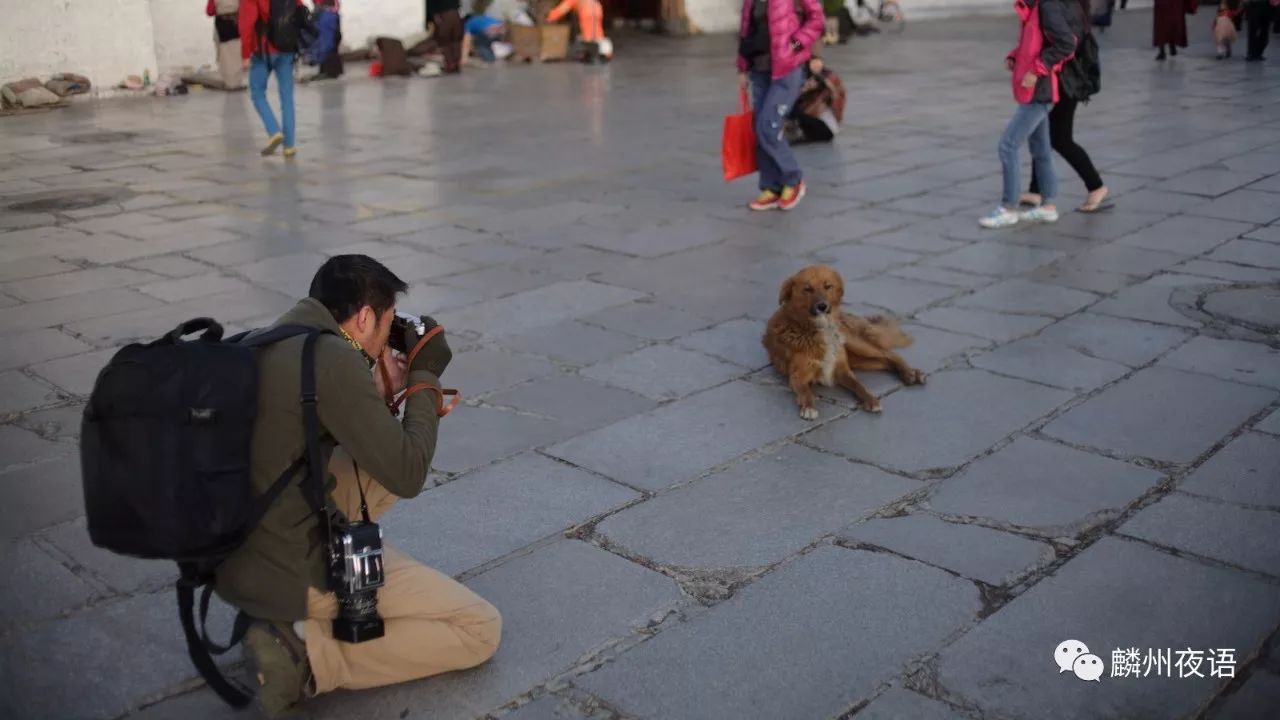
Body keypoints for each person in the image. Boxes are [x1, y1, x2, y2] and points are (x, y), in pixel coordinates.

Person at [215, 255, 501, 719]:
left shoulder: (275, 339)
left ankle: (281, 613)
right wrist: (425, 378)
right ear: (365, 316)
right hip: (288, 567)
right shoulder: (331, 360)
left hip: (235, 553)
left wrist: (391, 379)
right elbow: (408, 472)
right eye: (388, 327)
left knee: (372, 469)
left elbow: (374, 452)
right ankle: (304, 653)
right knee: (479, 628)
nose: (388, 339)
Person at [979, 0, 1079, 229]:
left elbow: (1066, 43)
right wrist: (1015, 56)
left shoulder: (1047, 6)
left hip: (1039, 91)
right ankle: (1048, 206)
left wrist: (1038, 70)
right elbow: (1034, 43)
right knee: (1040, 149)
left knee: (1008, 145)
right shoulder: (1032, 8)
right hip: (1033, 90)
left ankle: (1008, 208)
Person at [737, 0, 826, 212]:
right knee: (760, 127)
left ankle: (793, 179)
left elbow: (816, 19)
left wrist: (794, 46)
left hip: (787, 69)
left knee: (768, 126)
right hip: (759, 71)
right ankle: (771, 187)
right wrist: (742, 67)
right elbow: (746, 30)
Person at [1024, 0, 1109, 213]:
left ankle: (1095, 186)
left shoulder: (1051, 4)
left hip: (1064, 79)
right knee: (1042, 132)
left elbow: (1066, 43)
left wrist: (1039, 67)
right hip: (1065, 76)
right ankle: (1035, 190)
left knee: (1059, 137)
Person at [240, 0, 301, 157]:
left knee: (258, 93)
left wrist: (245, 54)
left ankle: (274, 130)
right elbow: (299, 12)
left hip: (262, 50)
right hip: (287, 49)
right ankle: (289, 146)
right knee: (287, 98)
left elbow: (247, 23)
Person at [786, 57, 846, 143]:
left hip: (825, 128)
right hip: (815, 125)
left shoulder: (827, 77)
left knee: (791, 108)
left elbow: (832, 89)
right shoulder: (804, 76)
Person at [207, 0, 245, 89]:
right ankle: (237, 81)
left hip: (222, 23)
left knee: (225, 53)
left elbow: (210, 11)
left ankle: (229, 82)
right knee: (237, 52)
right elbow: (244, 6)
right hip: (236, 22)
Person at [304, 0, 344, 80]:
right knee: (329, 41)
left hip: (326, 12)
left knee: (328, 43)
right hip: (328, 12)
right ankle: (329, 70)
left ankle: (330, 70)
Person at [427, 0, 465, 73]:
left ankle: (450, 64)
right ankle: (456, 63)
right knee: (455, 40)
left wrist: (433, 17)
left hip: (444, 15)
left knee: (444, 41)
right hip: (456, 14)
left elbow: (431, 4)